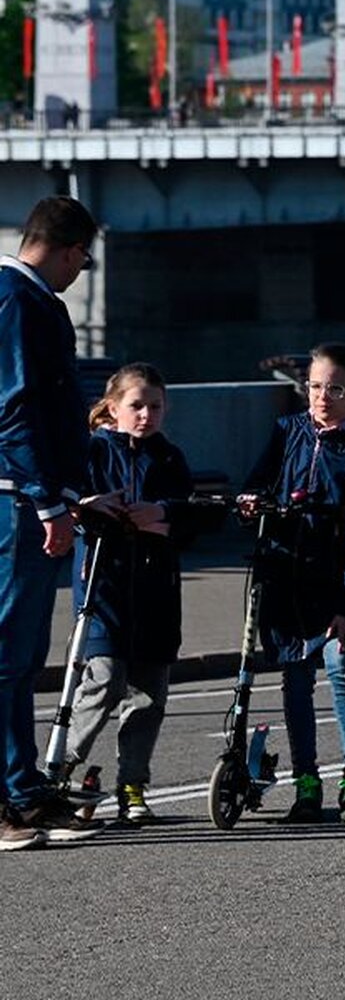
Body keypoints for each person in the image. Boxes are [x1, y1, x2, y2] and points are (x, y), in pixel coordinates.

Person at [66, 363, 220, 823]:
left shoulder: (167, 456)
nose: (146, 415)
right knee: (105, 679)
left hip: (155, 590)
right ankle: (61, 770)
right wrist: (89, 508)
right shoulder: (92, 451)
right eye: (136, 406)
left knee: (150, 693)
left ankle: (132, 784)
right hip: (104, 587)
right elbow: (68, 501)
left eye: (155, 406)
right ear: (113, 408)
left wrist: (164, 515)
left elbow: (189, 513)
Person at [241, 343, 345, 825]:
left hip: (333, 586)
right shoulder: (287, 432)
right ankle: (307, 783)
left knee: (341, 670)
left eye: (336, 388)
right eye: (317, 386)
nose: (324, 396)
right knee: (294, 681)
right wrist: (251, 503)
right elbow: (260, 482)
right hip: (285, 581)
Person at [0, 195, 102, 849]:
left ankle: (24, 788)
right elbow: (12, 408)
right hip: (17, 503)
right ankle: (8, 795)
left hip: (35, 499)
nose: (80, 270)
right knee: (8, 652)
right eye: (84, 259)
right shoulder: (18, 300)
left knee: (23, 653)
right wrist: (46, 501)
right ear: (67, 249)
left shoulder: (30, 300)